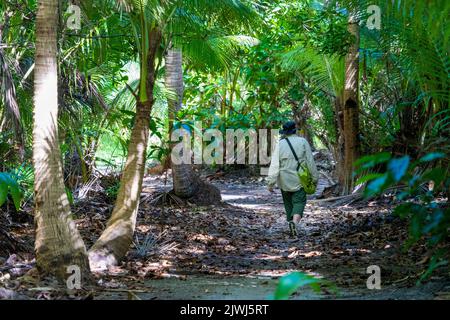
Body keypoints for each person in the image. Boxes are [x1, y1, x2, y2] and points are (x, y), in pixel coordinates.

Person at [267, 121, 319, 238]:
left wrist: (270, 183)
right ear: (295, 130)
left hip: (284, 180)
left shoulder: (280, 144)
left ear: (285, 132)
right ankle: (294, 223)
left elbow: (275, 165)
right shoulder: (303, 142)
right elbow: (310, 161)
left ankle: (290, 222)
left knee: (288, 203)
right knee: (299, 201)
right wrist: (315, 177)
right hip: (299, 178)